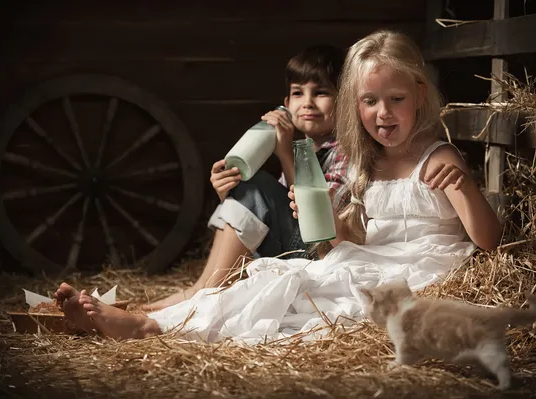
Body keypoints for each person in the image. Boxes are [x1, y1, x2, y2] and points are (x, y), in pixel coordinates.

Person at [54, 30, 502, 343]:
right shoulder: (369, 163)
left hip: (417, 270)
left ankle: (149, 324)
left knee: (300, 304)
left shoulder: (438, 158)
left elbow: (489, 240)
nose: (383, 113)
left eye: (396, 100)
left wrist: (464, 186)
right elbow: (356, 237)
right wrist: (338, 228)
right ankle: (148, 324)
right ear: (356, 104)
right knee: (273, 287)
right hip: (363, 259)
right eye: (370, 101)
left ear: (420, 95)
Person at [142, 45, 348, 311]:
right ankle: (200, 289)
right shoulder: (304, 150)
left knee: (259, 184)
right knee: (249, 185)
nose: (307, 102)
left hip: (319, 253)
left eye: (320, 93)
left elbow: (317, 218)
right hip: (289, 248)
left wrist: (284, 153)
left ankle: (204, 292)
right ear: (286, 104)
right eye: (298, 93)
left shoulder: (343, 151)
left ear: (342, 102)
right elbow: (265, 213)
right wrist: (228, 192)